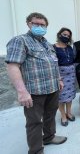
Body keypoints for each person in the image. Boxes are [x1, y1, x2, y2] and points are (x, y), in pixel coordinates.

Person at [6, 12, 67, 154]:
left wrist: (58, 79)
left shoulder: (47, 43)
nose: (39, 26)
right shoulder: (20, 40)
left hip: (52, 88)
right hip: (34, 91)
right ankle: (36, 150)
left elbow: (53, 63)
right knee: (34, 122)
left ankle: (49, 137)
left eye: (42, 25)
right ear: (29, 24)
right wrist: (22, 91)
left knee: (50, 115)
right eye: (36, 24)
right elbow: (13, 65)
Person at [54, 28, 76, 126]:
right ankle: (63, 115)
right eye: (64, 34)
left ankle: (69, 112)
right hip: (60, 75)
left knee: (69, 95)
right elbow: (53, 63)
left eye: (68, 35)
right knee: (61, 97)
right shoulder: (53, 48)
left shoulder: (69, 47)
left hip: (71, 75)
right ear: (59, 34)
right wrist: (58, 78)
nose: (66, 36)